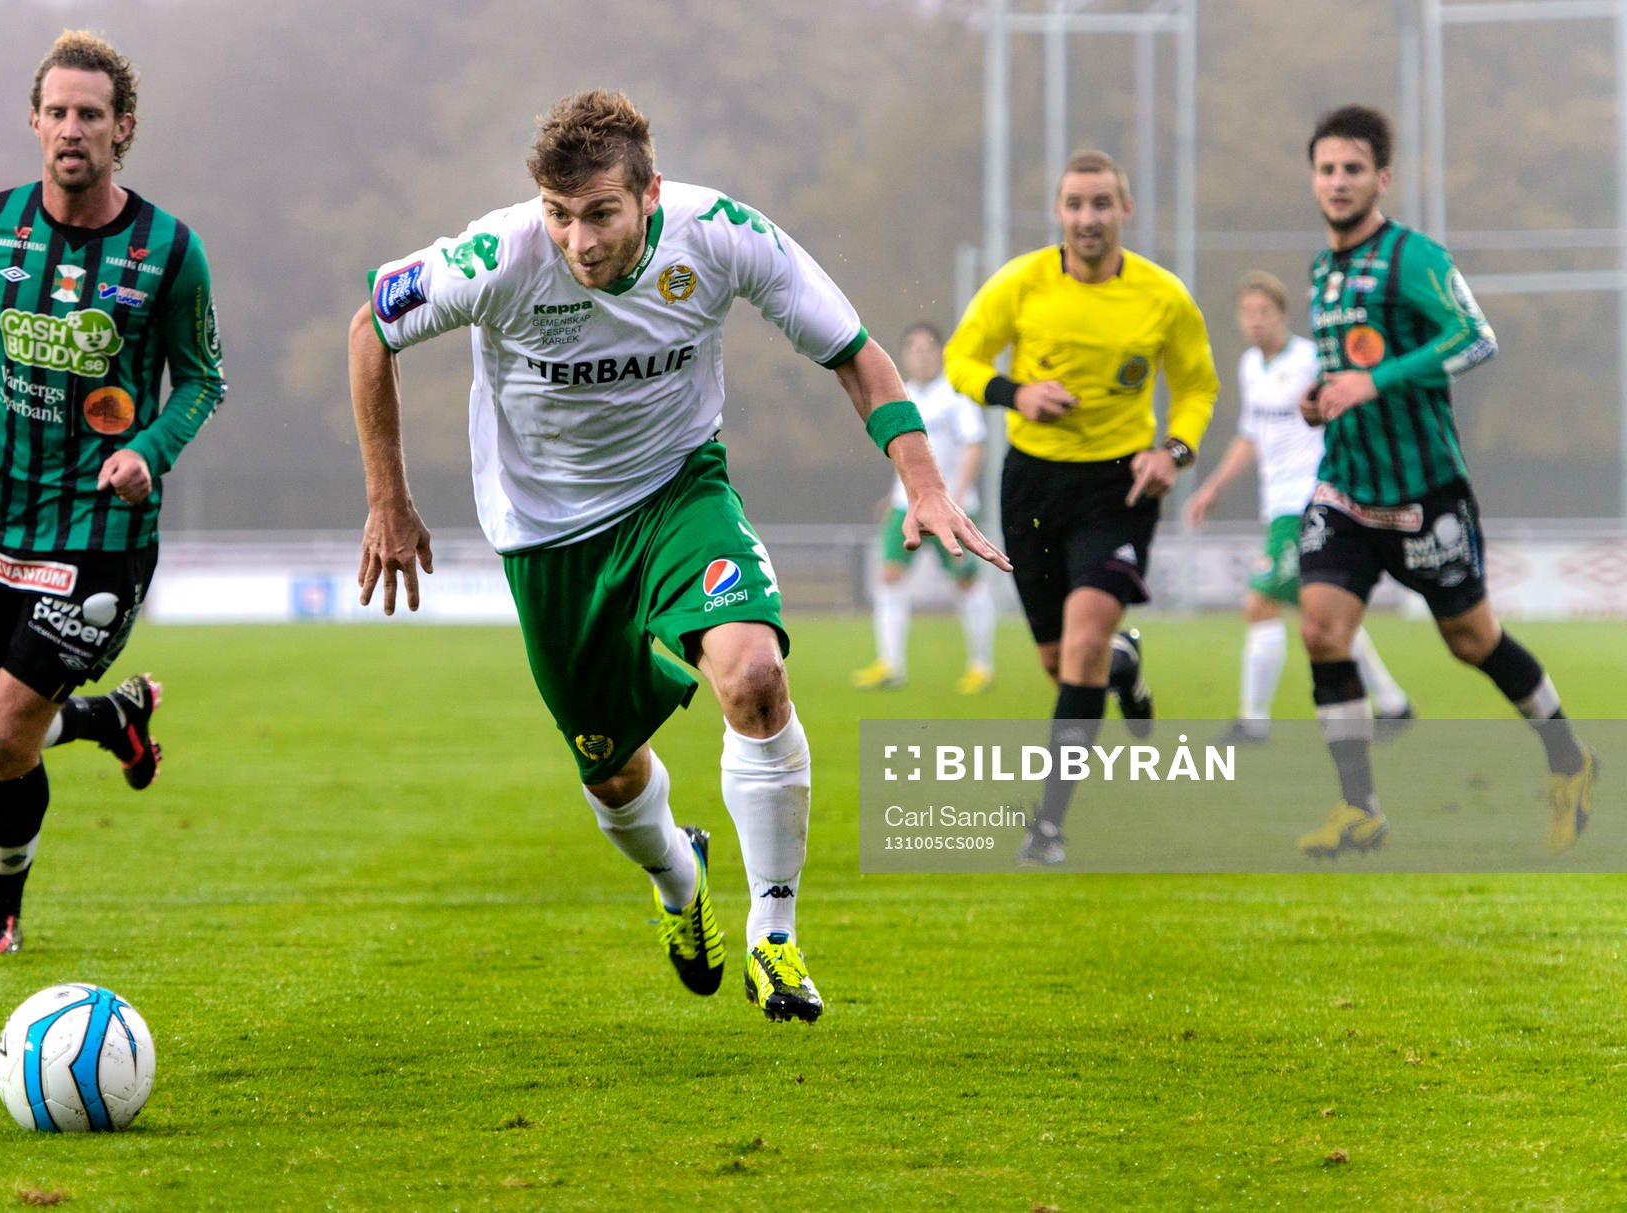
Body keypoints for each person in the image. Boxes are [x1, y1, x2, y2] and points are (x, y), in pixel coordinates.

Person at [351, 90, 1006, 1022]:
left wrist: (927, 483)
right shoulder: (496, 255)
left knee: (754, 675)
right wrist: (389, 500)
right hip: (547, 539)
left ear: (650, 193)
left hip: (677, 495)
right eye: (560, 214)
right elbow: (369, 327)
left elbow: (856, 353)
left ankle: (774, 938)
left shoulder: (722, 234)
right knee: (612, 771)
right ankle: (677, 877)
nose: (578, 240)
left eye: (601, 213)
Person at [0, 29, 226, 955]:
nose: (71, 129)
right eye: (57, 112)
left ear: (121, 129)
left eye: (91, 114)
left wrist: (150, 450)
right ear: (36, 122)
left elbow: (204, 378)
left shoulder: (170, 250)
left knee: (7, 743)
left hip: (100, 532)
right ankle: (108, 717)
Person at [1293, 105, 1595, 858]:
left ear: (1381, 177)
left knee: (1472, 639)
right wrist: (1323, 395)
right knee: (1323, 627)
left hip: (1425, 491)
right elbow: (1347, 369)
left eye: (1353, 168)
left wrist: (1377, 380)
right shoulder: (1322, 268)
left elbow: (1476, 337)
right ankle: (1358, 806)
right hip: (1346, 487)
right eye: (1327, 168)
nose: (1338, 181)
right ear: (1314, 177)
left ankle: (1570, 758)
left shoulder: (1412, 257)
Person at [945, 148, 1218, 867]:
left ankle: (1050, 824)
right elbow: (961, 359)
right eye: (1074, 205)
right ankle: (1125, 668)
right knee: (1061, 662)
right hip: (1033, 484)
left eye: (1101, 203)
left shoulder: (1163, 297)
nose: (1087, 218)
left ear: (1125, 209)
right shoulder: (1022, 283)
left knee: (1083, 644)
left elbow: (1197, 387)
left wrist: (1176, 452)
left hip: (1120, 487)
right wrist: (1015, 393)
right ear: (1059, 212)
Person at [1185, 271, 1411, 744]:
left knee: (1261, 601)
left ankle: (1253, 722)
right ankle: (1392, 703)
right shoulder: (1250, 366)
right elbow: (1250, 437)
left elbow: (1349, 408)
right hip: (1278, 504)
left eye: (1263, 313)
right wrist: (1212, 489)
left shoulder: (1310, 359)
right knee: (1324, 613)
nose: (1254, 323)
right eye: (1247, 314)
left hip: (1308, 499)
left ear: (1282, 315)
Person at [851, 321, 998, 694]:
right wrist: (893, 495)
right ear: (903, 356)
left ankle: (981, 665)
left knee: (966, 581)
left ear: (940, 352)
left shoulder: (956, 395)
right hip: (906, 506)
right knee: (890, 577)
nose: (920, 354)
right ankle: (891, 664)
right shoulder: (903, 395)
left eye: (927, 347)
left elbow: (974, 445)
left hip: (954, 505)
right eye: (913, 348)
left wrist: (959, 494)